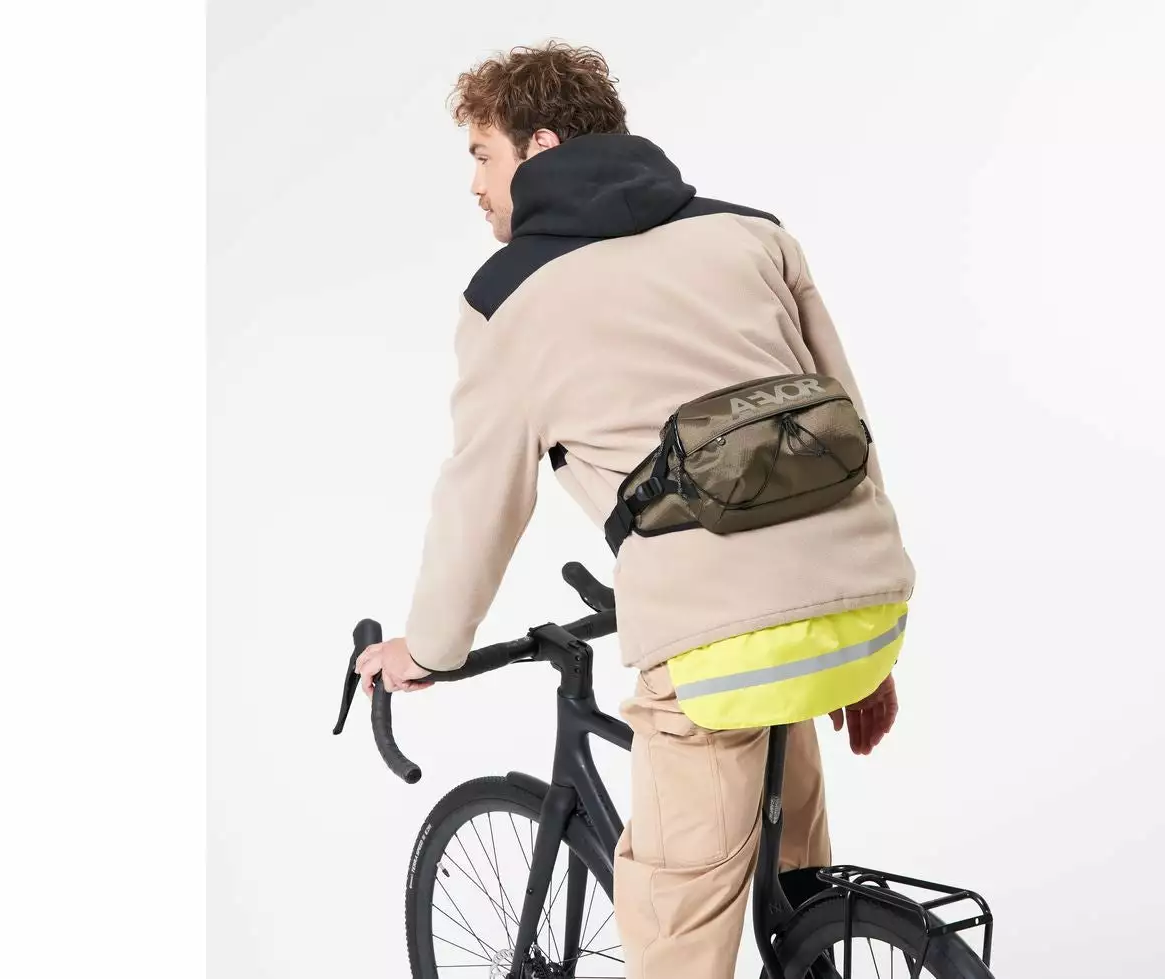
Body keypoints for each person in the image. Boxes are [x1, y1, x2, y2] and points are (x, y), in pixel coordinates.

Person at [354, 40, 916, 979]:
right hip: (861, 607)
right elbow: (846, 423)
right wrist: (864, 641)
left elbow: (479, 499)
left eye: (483, 155)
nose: (475, 185)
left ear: (540, 147)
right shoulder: (754, 233)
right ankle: (809, 931)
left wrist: (431, 648)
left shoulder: (507, 300)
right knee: (792, 875)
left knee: (673, 927)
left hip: (717, 641)